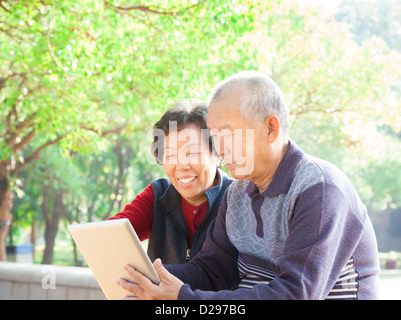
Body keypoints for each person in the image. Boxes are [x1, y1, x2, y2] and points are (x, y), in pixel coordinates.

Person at [117, 71, 380, 300]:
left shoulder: (320, 190)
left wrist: (183, 297)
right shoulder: (237, 193)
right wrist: (147, 276)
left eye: (228, 133)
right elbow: (213, 271)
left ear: (270, 129)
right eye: (215, 135)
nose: (219, 148)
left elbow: (296, 294)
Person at [109, 99, 232, 264]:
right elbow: (108, 237)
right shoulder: (158, 194)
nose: (181, 165)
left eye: (192, 153)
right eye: (170, 155)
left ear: (218, 155)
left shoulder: (237, 199)